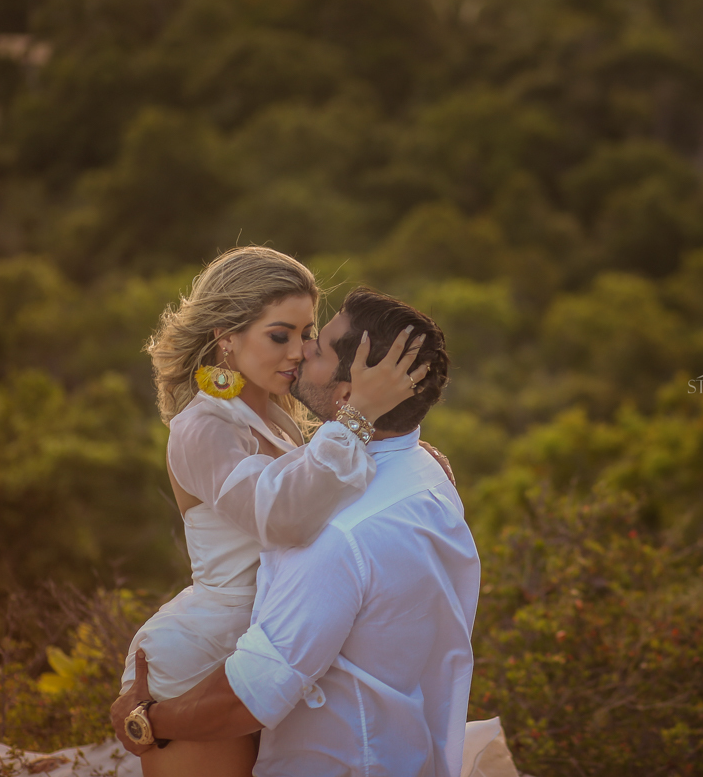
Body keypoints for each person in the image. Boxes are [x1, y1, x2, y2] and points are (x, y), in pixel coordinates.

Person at [111, 287, 480, 777]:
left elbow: (314, 483)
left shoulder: (315, 475)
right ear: (227, 338)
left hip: (252, 665)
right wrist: (367, 425)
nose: (301, 350)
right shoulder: (206, 428)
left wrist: (384, 439)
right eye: (281, 335)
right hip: (203, 659)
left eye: (311, 338)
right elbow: (287, 508)